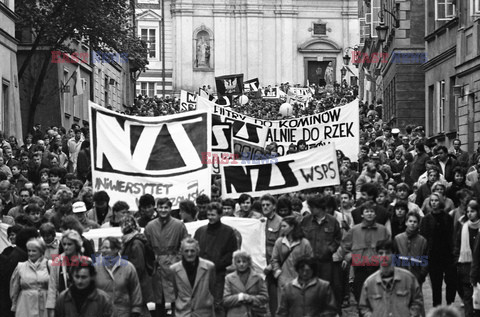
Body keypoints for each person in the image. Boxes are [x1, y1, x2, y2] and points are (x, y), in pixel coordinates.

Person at [144, 197, 188, 317]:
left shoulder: (179, 225)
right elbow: (146, 246)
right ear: (156, 209)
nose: (163, 210)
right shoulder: (150, 226)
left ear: (170, 208)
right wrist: (151, 261)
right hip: (156, 266)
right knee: (158, 298)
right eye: (161, 207)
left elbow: (185, 244)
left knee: (175, 296)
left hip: (173, 264)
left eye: (166, 207)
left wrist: (178, 259)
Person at [194, 202, 238, 317]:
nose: (210, 217)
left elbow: (231, 254)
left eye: (213, 215)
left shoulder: (228, 232)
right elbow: (194, 250)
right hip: (201, 273)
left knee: (218, 303)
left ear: (220, 215)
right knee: (201, 303)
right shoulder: (200, 231)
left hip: (219, 274)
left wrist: (216, 265)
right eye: (208, 214)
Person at [359, 239, 424, 317]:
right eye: (380, 253)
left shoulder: (408, 278)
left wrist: (412, 314)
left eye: (388, 253)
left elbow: (417, 300)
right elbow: (364, 307)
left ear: (394, 254)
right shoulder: (369, 283)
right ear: (376, 255)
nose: (384, 256)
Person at [342, 201, 390, 302]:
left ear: (375, 214)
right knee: (361, 298)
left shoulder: (382, 230)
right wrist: (349, 256)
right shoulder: (354, 230)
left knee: (378, 299)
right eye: (366, 211)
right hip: (360, 269)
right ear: (362, 214)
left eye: (372, 211)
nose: (369, 213)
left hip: (378, 269)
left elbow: (388, 248)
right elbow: (345, 246)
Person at [300, 196, 342, 313]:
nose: (310, 209)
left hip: (326, 263)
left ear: (320, 208)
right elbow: (300, 237)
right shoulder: (306, 220)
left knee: (325, 289)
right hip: (309, 263)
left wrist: (329, 249)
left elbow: (338, 239)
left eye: (312, 207)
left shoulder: (333, 221)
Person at [420, 193, 456, 307]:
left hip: (447, 254)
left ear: (440, 201)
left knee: (450, 280)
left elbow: (451, 235)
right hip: (433, 256)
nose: (434, 203)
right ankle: (437, 306)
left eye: (436, 200)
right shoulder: (426, 219)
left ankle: (450, 302)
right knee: (436, 284)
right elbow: (424, 237)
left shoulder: (447, 217)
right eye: (432, 201)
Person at [46, 229, 91, 315]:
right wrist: (51, 310)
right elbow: (52, 288)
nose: (66, 247)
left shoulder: (86, 261)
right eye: (64, 244)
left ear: (76, 245)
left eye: (69, 244)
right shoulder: (57, 261)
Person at [95, 237, 143, 317]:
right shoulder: (95, 268)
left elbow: (135, 291)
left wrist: (135, 311)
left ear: (116, 249)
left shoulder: (128, 267)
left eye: (106, 248)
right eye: (102, 248)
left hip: (123, 313)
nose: (103, 250)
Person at [170, 237, 216, 317]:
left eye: (192, 251)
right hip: (183, 313)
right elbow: (175, 291)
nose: (189, 254)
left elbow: (212, 289)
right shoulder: (174, 269)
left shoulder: (209, 267)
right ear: (182, 252)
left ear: (197, 251)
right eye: (186, 251)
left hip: (204, 313)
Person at [120, 215, 154, 316]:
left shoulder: (135, 243)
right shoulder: (134, 241)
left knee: (140, 310)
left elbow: (138, 266)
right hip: (139, 283)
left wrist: (128, 281)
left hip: (138, 284)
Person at [272, 216, 312, 298]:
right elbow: (274, 259)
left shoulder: (304, 243)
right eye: (281, 226)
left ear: (292, 227)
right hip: (283, 278)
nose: (282, 228)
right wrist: (277, 271)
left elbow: (310, 260)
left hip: (300, 278)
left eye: (284, 226)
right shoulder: (279, 242)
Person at [10, 238, 50, 317]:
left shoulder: (49, 265)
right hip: (25, 305)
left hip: (44, 305)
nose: (30, 253)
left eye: (34, 251)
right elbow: (14, 288)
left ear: (41, 252)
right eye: (29, 250)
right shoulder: (21, 266)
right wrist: (14, 305)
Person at [454, 200, 480, 317]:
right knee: (468, 297)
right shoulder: (463, 227)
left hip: (478, 268)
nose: (470, 214)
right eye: (468, 211)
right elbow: (457, 246)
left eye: (473, 211)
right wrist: (457, 263)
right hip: (466, 267)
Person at [223, 250, 268, 317]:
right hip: (235, 314)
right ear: (235, 263)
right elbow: (226, 300)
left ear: (248, 262)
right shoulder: (229, 278)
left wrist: (250, 298)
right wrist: (240, 297)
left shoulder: (257, 278)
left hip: (253, 313)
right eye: (238, 261)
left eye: (244, 261)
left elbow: (265, 297)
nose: (241, 264)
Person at [261, 194, 282, 316]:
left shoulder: (280, 222)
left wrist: (271, 266)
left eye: (268, 205)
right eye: (263, 205)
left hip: (275, 266)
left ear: (274, 206)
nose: (265, 207)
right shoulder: (260, 222)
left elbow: (280, 248)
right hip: (262, 264)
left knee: (276, 297)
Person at [394, 211, 428, 285]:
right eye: (410, 221)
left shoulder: (422, 241)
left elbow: (424, 259)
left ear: (418, 224)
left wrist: (422, 275)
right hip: (401, 275)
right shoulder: (398, 239)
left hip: (416, 275)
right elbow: (394, 257)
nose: (412, 223)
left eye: (415, 222)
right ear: (406, 223)